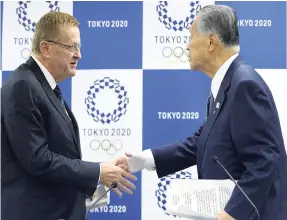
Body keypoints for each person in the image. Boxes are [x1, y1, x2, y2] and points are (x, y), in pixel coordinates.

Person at [119, 5, 287, 220]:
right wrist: (142, 160)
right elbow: (201, 142)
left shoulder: (244, 86)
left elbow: (264, 161)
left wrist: (232, 213)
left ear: (211, 41)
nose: (187, 46)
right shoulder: (227, 83)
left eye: (190, 36)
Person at [1, 12, 136, 220]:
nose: (78, 55)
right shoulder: (24, 87)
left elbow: (58, 155)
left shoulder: (42, 86)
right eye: (71, 47)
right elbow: (38, 160)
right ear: (45, 48)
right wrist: (98, 172)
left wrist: (99, 173)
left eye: (78, 47)